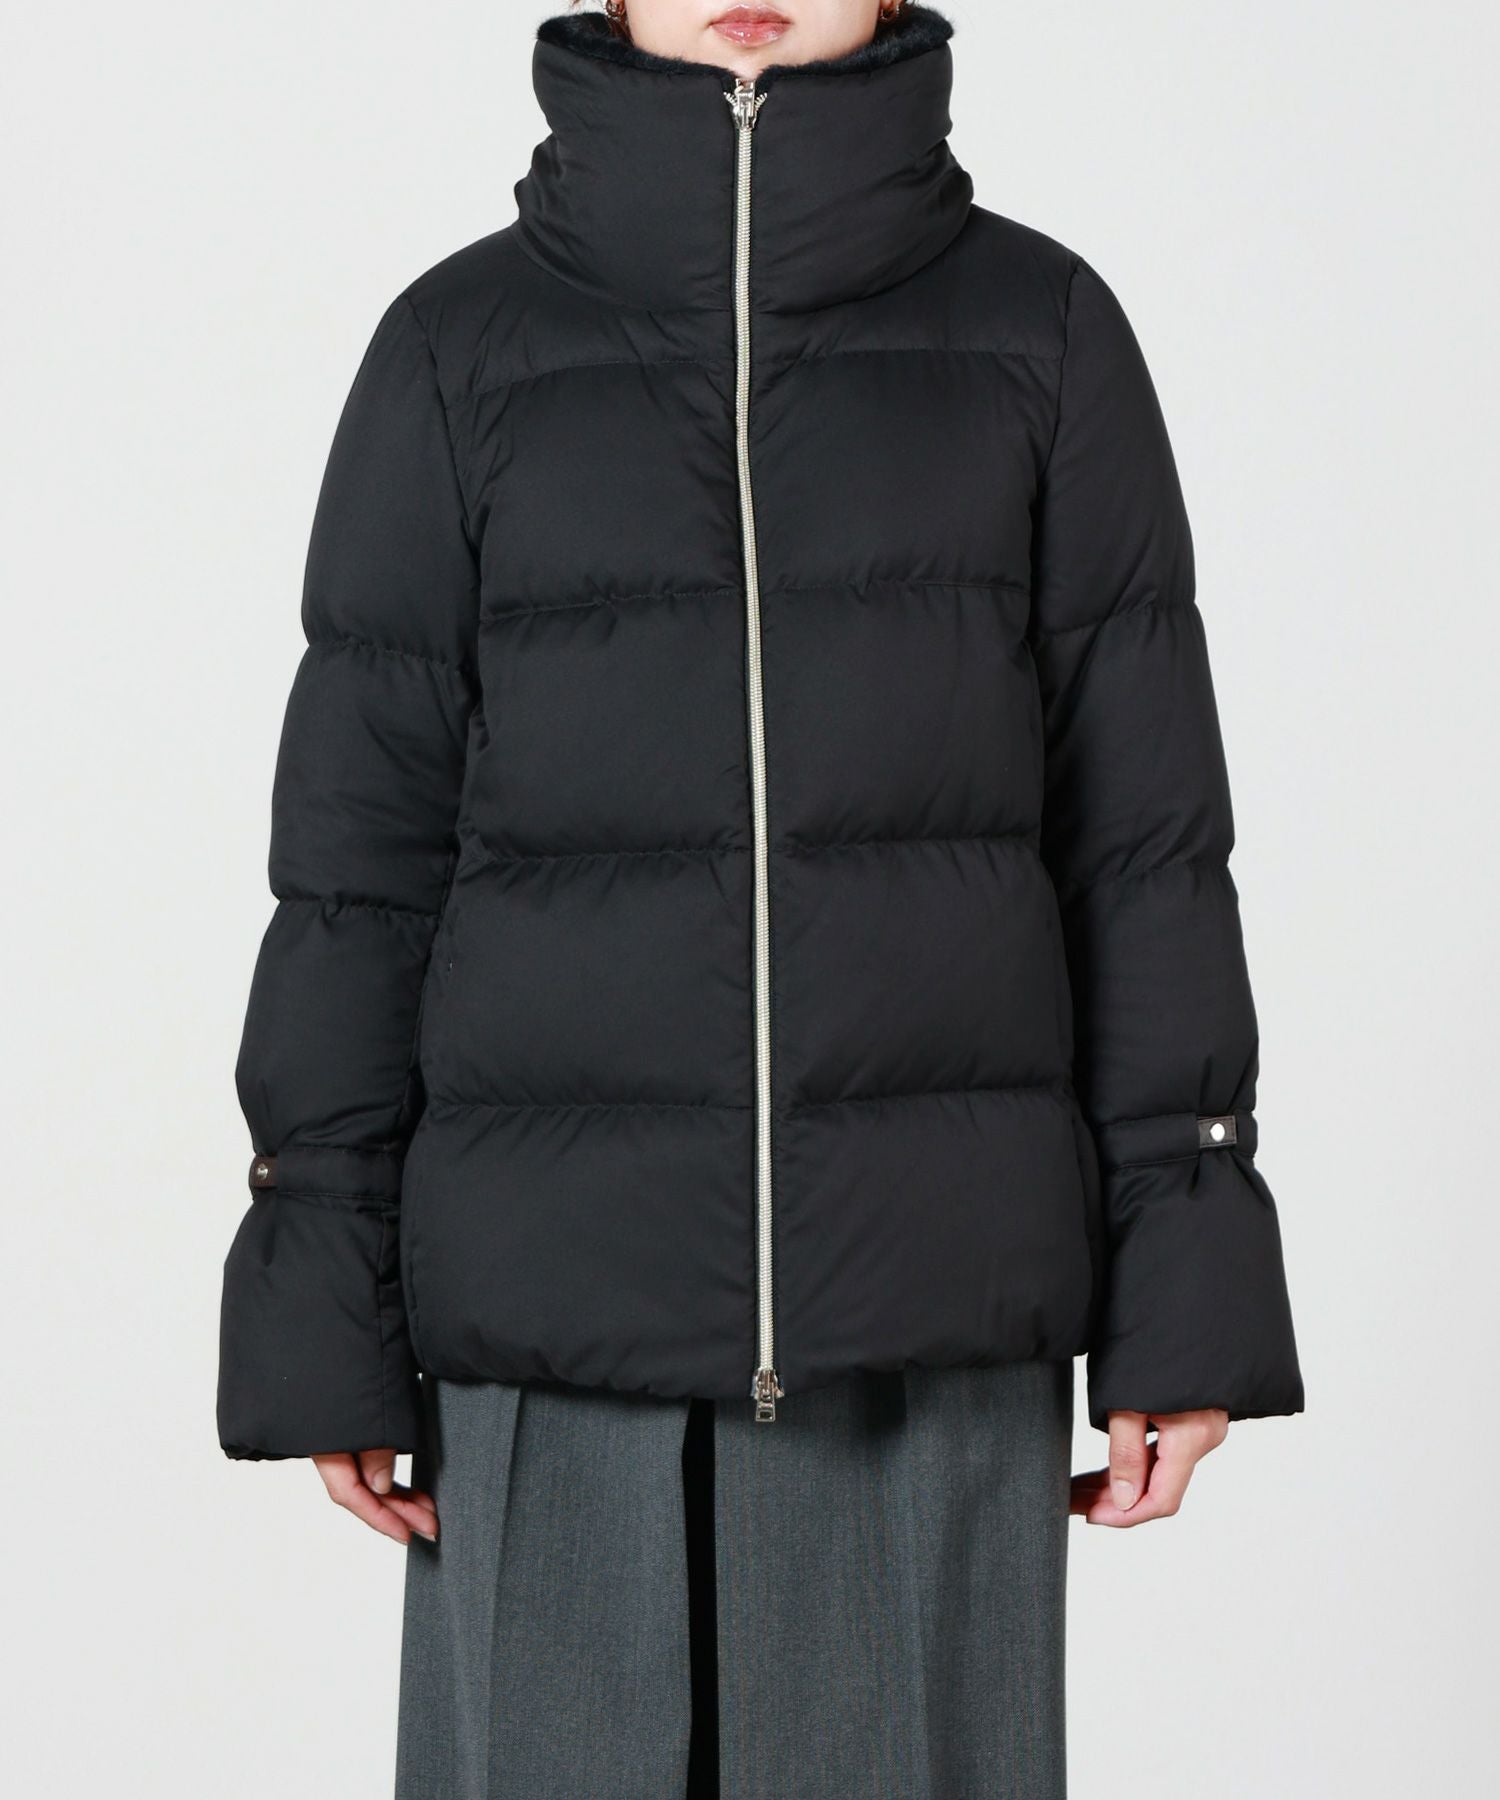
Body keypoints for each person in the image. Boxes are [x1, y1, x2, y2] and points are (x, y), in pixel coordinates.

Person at [216, 3, 1304, 1794]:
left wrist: (1186, 1277)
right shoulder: (456, 348)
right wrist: (322, 1291)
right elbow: (358, 868)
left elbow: (1143, 843)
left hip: (929, 1320)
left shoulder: (1042, 331)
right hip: (547, 1325)